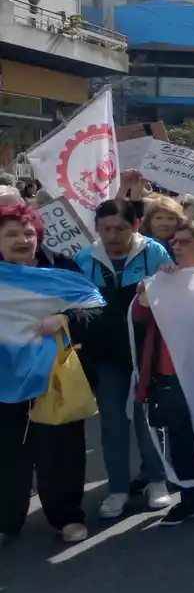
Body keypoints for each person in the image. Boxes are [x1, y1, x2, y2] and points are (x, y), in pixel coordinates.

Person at [0, 203, 99, 545]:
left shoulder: (62, 268)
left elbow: (96, 310)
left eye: (28, 233)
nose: (22, 240)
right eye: (11, 234)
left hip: (54, 377)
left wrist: (66, 319)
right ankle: (5, 521)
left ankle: (67, 517)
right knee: (7, 452)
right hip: (5, 378)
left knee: (62, 450)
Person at [74, 198, 173, 519]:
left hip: (146, 353)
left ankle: (156, 480)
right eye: (105, 229)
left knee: (147, 420)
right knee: (113, 422)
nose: (112, 235)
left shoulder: (154, 253)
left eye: (119, 228)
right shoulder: (83, 259)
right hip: (105, 357)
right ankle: (118, 488)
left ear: (135, 225)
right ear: (96, 228)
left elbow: (172, 296)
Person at [133, 221, 194, 526]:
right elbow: (139, 315)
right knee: (181, 440)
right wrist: (153, 288)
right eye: (174, 242)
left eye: (184, 242)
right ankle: (190, 499)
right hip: (170, 375)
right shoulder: (166, 281)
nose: (176, 247)